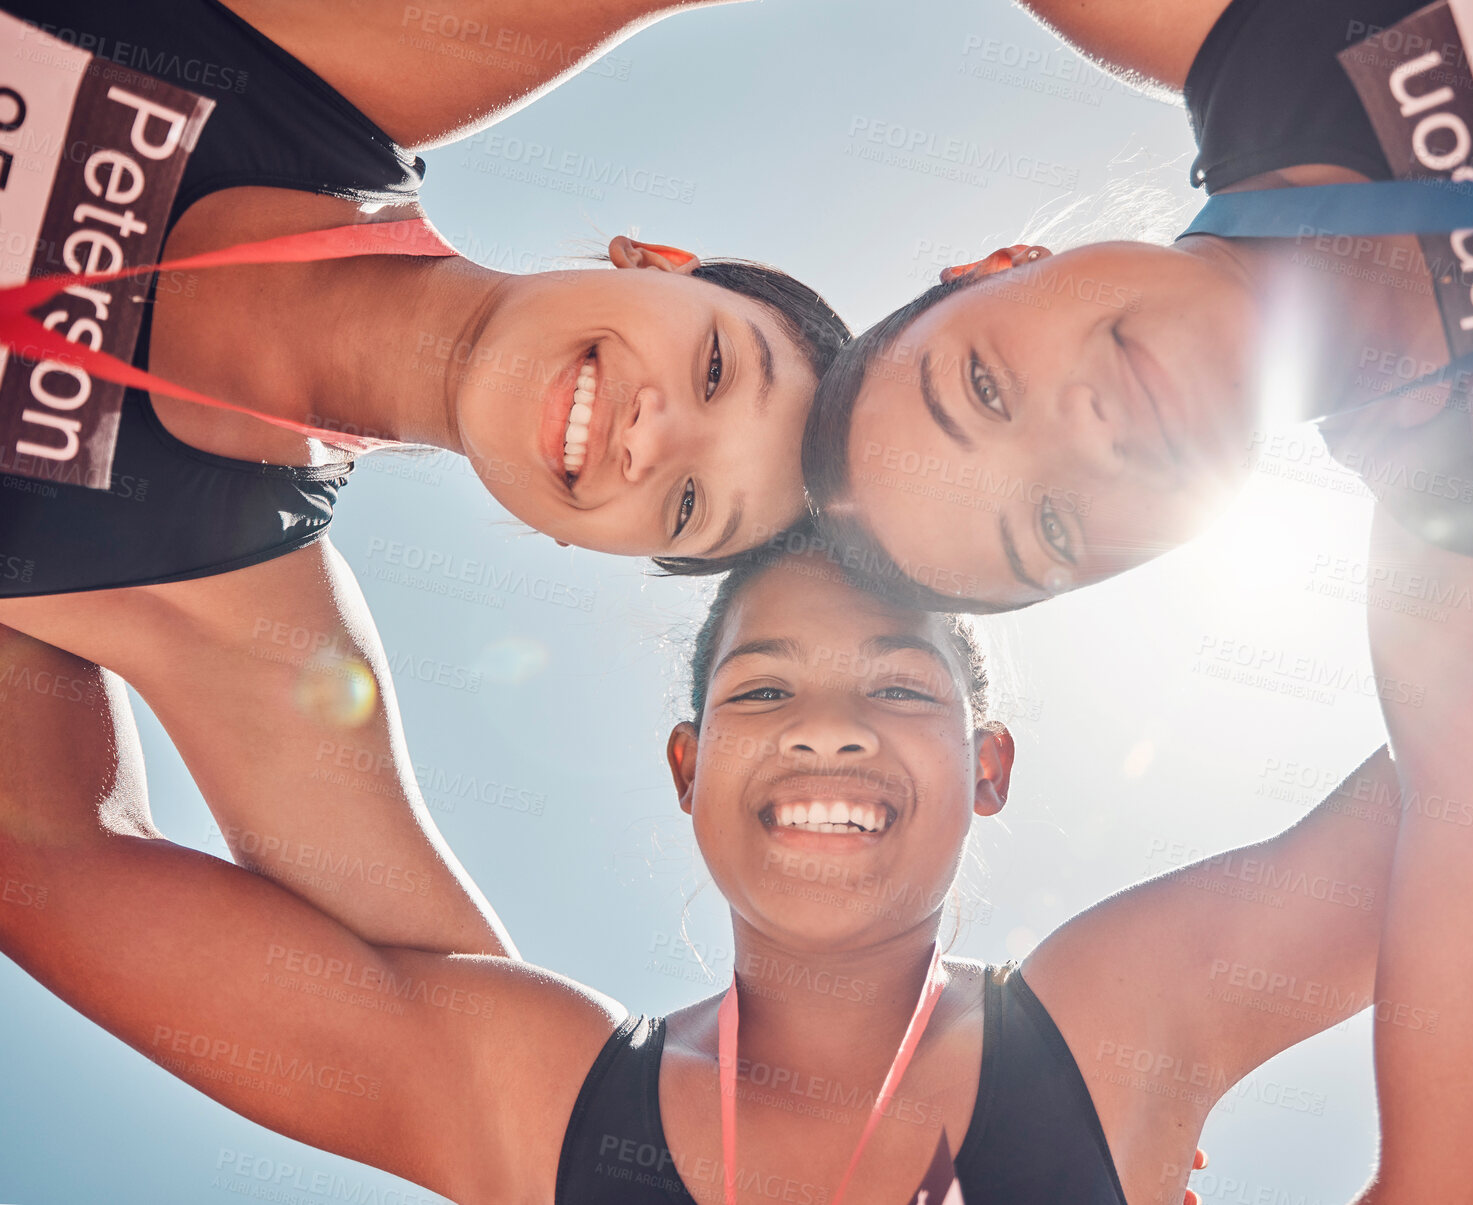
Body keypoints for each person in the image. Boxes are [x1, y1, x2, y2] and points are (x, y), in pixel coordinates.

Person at [801, 0, 1473, 1200]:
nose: (1083, 436)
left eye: (986, 384)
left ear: (1000, 265)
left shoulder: (1259, 31)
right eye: (1050, 528)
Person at [1, 534, 1406, 1203]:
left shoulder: (1107, 1031)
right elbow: (44, 845)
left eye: (903, 688)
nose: (827, 727)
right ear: (685, 767)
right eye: (760, 691)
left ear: (990, 768)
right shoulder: (536, 1091)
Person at [0, 0, 846, 957]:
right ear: (656, 260)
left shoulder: (230, 610)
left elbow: (452, 1021)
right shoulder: (328, 73)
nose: (652, 438)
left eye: (687, 505)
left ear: (592, 544)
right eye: (717, 370)